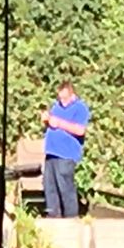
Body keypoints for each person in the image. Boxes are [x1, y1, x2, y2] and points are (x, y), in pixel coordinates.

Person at [41, 80, 90, 218]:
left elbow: (80, 130)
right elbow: (52, 124)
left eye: (64, 98)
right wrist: (47, 121)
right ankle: (53, 215)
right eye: (60, 98)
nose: (62, 101)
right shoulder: (57, 107)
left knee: (65, 187)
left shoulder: (80, 108)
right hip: (51, 153)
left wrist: (59, 123)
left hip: (66, 154)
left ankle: (71, 217)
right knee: (49, 186)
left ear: (72, 94)